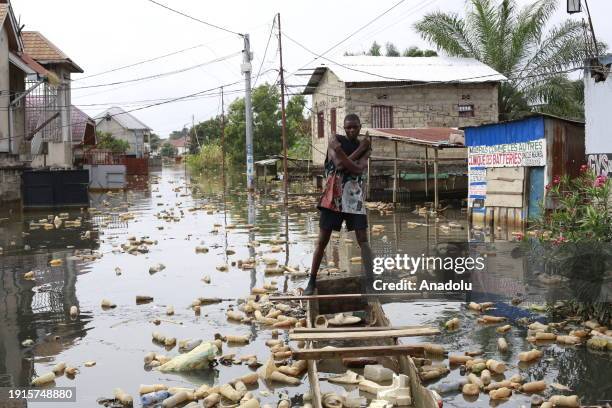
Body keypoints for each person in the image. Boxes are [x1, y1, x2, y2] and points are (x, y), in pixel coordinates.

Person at [303, 113, 374, 295]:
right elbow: (339, 166)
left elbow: (358, 169)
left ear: (359, 127)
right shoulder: (335, 140)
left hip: (354, 199)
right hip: (333, 198)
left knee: (363, 240)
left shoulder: (363, 146)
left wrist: (349, 154)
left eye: (355, 127)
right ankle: (311, 281)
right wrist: (359, 150)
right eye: (348, 127)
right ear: (344, 127)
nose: (351, 130)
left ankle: (372, 281)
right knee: (322, 240)